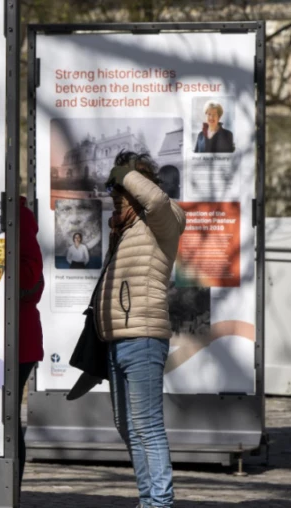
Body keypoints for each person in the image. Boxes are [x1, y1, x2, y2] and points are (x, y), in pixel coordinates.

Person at [96, 150, 186, 508]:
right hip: (117, 340)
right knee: (127, 425)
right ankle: (148, 499)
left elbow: (156, 201)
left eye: (121, 190)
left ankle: (159, 504)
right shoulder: (126, 229)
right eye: (114, 191)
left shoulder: (164, 219)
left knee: (147, 427)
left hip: (144, 338)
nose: (116, 198)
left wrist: (123, 172)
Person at [17, 196, 44, 483]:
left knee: (7, 421)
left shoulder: (20, 217)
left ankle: (12, 493)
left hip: (18, 341)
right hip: (7, 338)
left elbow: (29, 277)